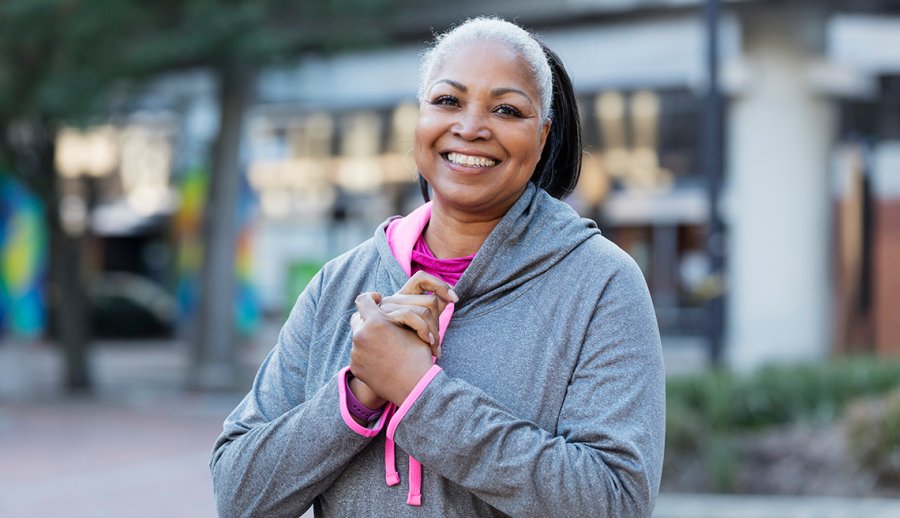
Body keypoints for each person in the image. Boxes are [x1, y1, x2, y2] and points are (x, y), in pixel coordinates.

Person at [210, 16, 665, 517]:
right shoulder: (340, 283)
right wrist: (359, 393)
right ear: (420, 119)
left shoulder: (601, 284)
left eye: (507, 109)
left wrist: (419, 392)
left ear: (542, 137)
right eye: (447, 101)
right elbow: (239, 495)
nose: (470, 128)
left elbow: (614, 503)